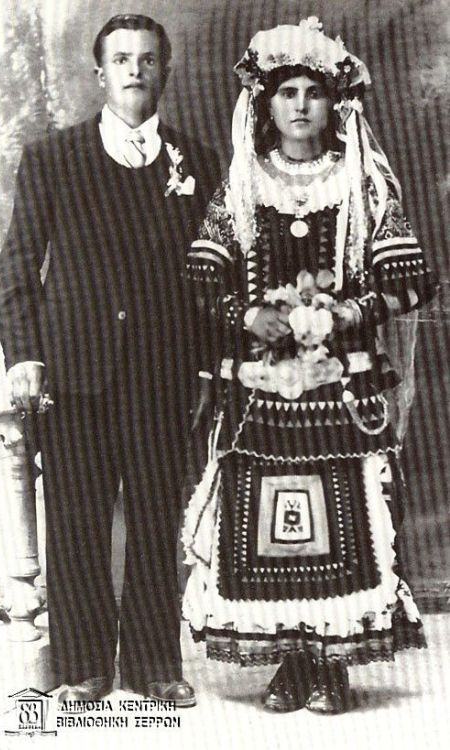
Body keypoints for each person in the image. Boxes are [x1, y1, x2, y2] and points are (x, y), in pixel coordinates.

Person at [182, 18, 437, 714]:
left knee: (342, 510)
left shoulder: (362, 184)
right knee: (265, 517)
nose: (299, 104)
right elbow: (202, 279)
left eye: (313, 92)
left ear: (336, 103)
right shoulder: (241, 188)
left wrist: (350, 312)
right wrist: (247, 316)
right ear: (264, 104)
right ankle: (289, 663)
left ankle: (332, 664)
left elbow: (416, 280)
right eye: (286, 91)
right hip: (261, 393)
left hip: (342, 386)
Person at [0, 13, 220, 706]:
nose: (135, 70)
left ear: (165, 71)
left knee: (156, 518)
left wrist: (208, 365)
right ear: (99, 74)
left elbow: (215, 281)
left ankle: (154, 663)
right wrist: (25, 356)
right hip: (74, 371)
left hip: (163, 371)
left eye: (149, 59)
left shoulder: (198, 162)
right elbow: (15, 272)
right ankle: (84, 664)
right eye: (121, 58)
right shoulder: (53, 157)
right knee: (78, 517)